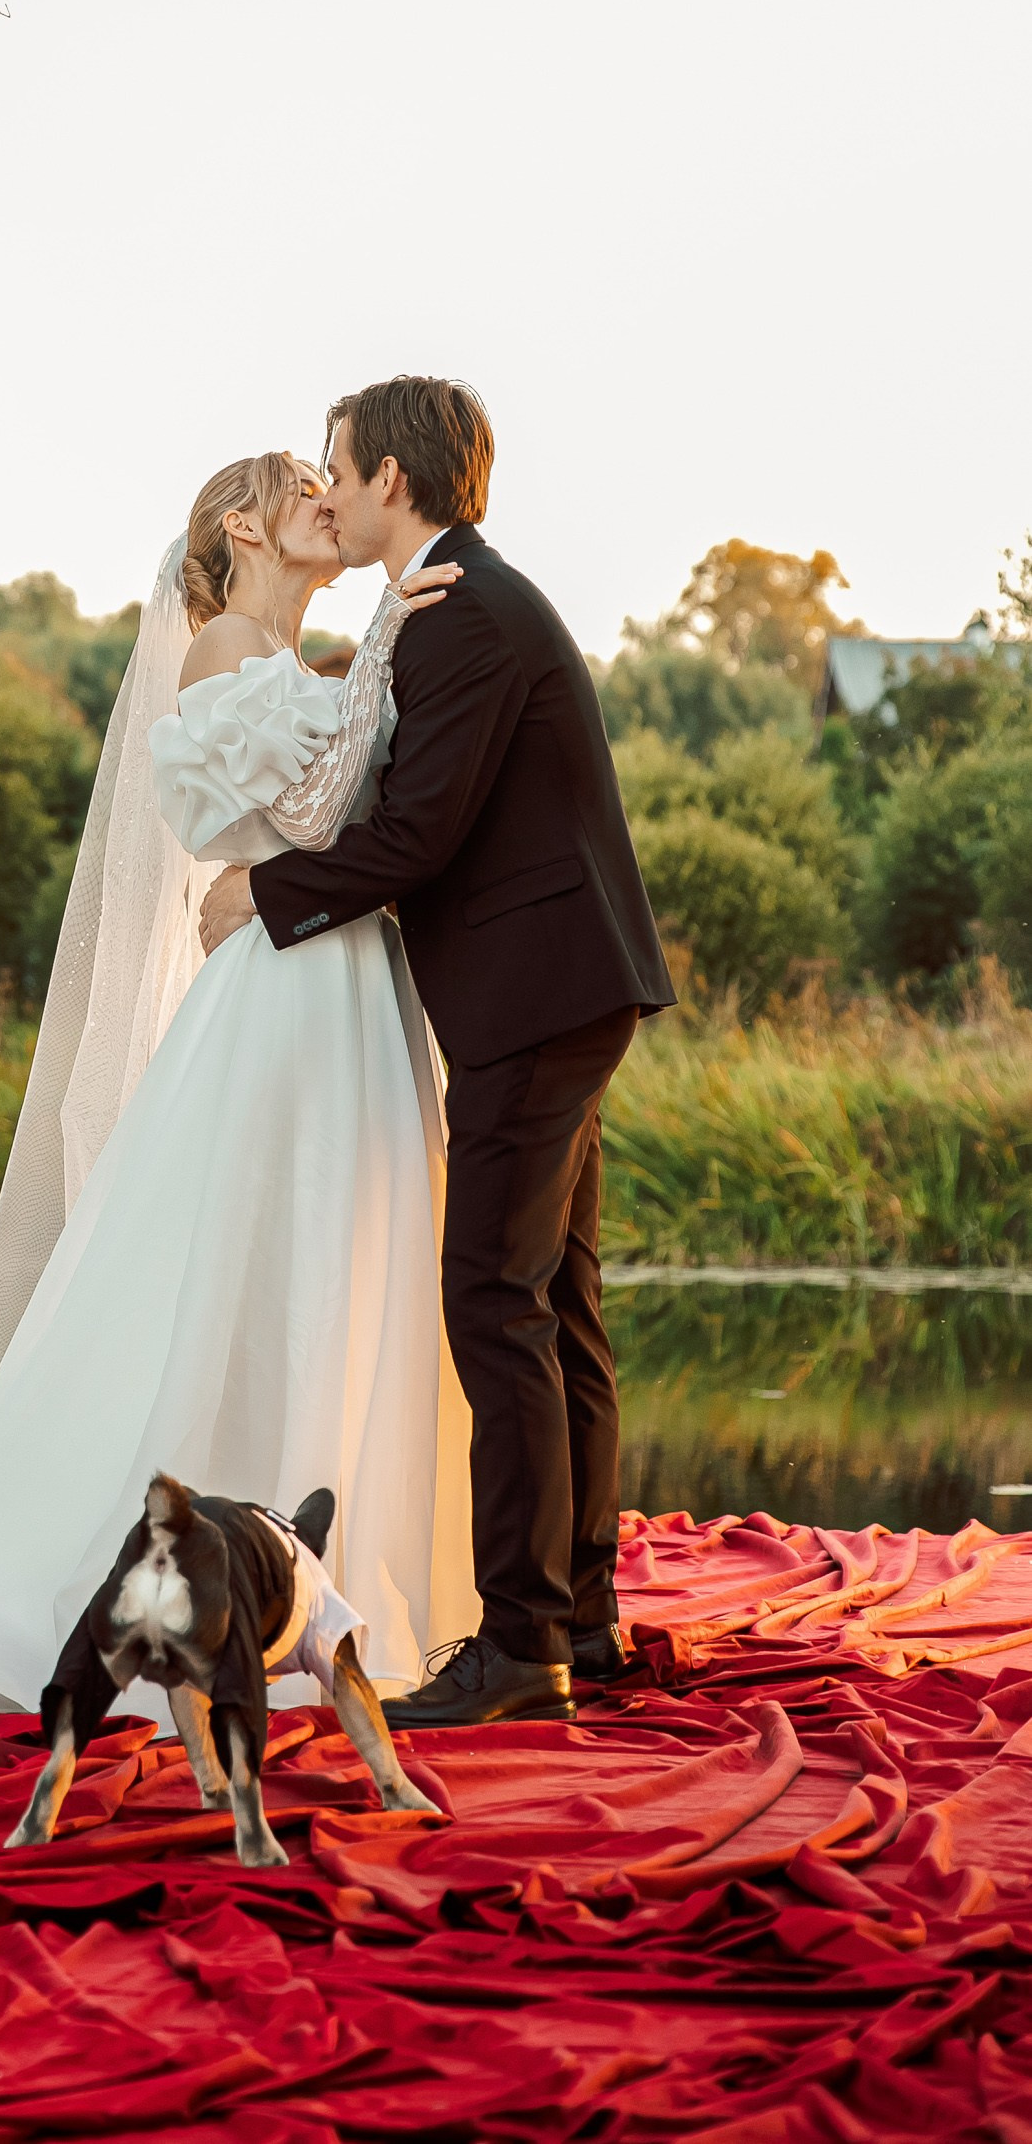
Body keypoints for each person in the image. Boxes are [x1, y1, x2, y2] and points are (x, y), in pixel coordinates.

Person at [0, 451, 475, 1743]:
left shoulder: (300, 660)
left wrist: (376, 664)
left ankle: (300, 1581)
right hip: (282, 995)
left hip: (345, 975)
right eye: (302, 482)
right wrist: (385, 648)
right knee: (243, 1264)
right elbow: (311, 814)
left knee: (327, 1262)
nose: (327, 497)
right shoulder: (224, 645)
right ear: (243, 523)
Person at [200, 377, 675, 1730]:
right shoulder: (454, 600)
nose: (329, 490)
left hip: (534, 995)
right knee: (555, 1302)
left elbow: (418, 833)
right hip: (562, 985)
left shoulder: (464, 612)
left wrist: (264, 897)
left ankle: (522, 1646)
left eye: (339, 467)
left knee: (497, 1301)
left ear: (392, 481)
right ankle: (579, 1617)